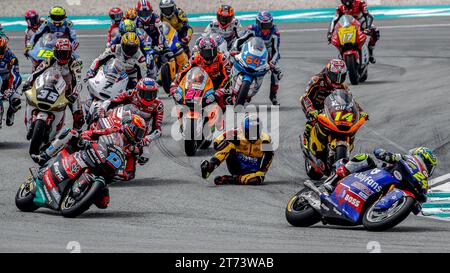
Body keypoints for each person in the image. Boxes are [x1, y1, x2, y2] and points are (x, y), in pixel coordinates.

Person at [32, 114, 147, 208]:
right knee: (70, 133)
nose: (138, 136)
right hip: (90, 152)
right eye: (137, 131)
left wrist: (122, 175)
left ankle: (79, 196)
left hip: (104, 171)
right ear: (128, 127)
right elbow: (93, 133)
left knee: (104, 203)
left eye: (141, 134)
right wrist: (85, 139)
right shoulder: (113, 131)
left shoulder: (133, 150)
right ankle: (44, 156)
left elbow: (130, 172)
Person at [22, 38, 84, 132]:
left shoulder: (74, 64)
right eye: (62, 53)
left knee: (79, 118)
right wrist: (28, 82)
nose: (64, 56)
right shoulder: (49, 60)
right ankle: (30, 120)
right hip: (48, 86)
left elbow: (79, 82)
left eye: (67, 53)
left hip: (67, 92)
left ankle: (76, 137)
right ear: (55, 51)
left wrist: (74, 95)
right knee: (30, 97)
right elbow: (36, 72)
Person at [299, 59, 364, 148]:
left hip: (332, 108)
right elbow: (305, 97)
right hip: (315, 107)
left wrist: (360, 111)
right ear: (328, 73)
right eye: (335, 76)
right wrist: (310, 109)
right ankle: (306, 140)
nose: (338, 80)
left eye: (341, 77)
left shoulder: (343, 86)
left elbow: (350, 101)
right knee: (312, 121)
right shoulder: (316, 80)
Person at [101, 77, 164, 168]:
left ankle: (128, 169)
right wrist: (103, 109)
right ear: (138, 91)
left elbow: (158, 129)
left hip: (139, 133)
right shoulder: (131, 94)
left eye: (152, 94)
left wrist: (147, 139)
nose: (149, 97)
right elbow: (111, 101)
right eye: (145, 93)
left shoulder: (158, 105)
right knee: (100, 115)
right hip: (122, 123)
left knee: (144, 157)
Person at [322, 147, 438, 194]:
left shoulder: (421, 182)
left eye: (429, 167)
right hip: (372, 176)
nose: (426, 168)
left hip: (379, 190)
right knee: (364, 158)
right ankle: (332, 181)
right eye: (426, 163)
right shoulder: (403, 159)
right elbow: (378, 152)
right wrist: (385, 155)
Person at [200, 114, 275, 185]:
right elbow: (216, 144)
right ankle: (210, 167)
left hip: (252, 171)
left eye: (256, 131)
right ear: (244, 130)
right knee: (230, 145)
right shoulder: (236, 133)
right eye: (250, 131)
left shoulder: (265, 140)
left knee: (255, 180)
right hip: (236, 166)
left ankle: (232, 179)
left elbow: (269, 156)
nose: (253, 135)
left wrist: (262, 171)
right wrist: (226, 139)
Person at [232, 11, 283, 105]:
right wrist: (235, 49)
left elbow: (276, 50)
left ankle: (273, 96)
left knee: (276, 74)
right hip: (252, 50)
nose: (266, 28)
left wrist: (273, 62)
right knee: (231, 60)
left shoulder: (275, 33)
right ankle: (227, 83)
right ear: (258, 23)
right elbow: (241, 40)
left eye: (268, 24)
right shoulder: (252, 29)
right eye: (263, 25)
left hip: (268, 54)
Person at [170, 37, 231, 110]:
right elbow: (183, 72)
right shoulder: (195, 58)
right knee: (179, 96)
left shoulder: (222, 58)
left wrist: (221, 89)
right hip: (199, 83)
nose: (210, 55)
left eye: (212, 52)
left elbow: (228, 77)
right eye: (207, 52)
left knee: (225, 102)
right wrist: (175, 83)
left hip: (216, 84)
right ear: (201, 52)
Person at [0, 37, 22, 128]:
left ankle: (10, 112)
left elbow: (16, 75)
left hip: (6, 83)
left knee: (16, 100)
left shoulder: (11, 57)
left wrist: (11, 88)